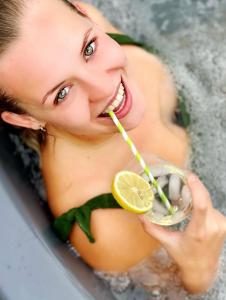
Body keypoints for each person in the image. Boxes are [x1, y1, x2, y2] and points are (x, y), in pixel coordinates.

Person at [0, 0, 225, 294]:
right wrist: (199, 270)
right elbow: (175, 291)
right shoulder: (102, 226)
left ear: (82, 11)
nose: (105, 89)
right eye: (63, 93)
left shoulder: (81, 24)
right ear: (25, 118)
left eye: (89, 49)